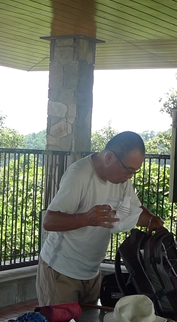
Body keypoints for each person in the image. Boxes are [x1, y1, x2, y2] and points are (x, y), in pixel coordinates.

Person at [37, 131, 164, 306]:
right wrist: (86, 219)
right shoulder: (79, 174)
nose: (129, 176)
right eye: (128, 170)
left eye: (134, 172)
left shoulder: (122, 181)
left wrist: (152, 221)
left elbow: (135, 211)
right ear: (109, 157)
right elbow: (49, 221)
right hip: (61, 271)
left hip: (92, 272)